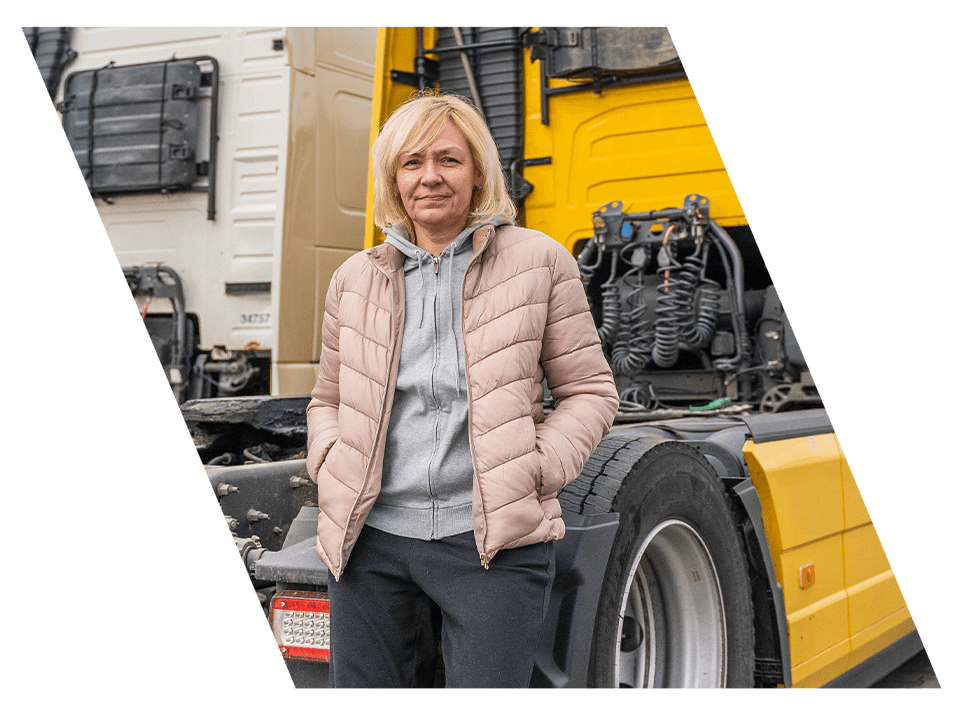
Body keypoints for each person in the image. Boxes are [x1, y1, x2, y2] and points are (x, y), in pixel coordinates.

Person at [305, 91, 619, 688]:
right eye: (411, 162)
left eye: (449, 160)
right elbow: (328, 398)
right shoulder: (354, 278)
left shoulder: (539, 261)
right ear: (392, 179)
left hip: (490, 545)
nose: (430, 178)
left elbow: (590, 391)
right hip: (370, 541)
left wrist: (534, 468)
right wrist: (329, 459)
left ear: (478, 174)